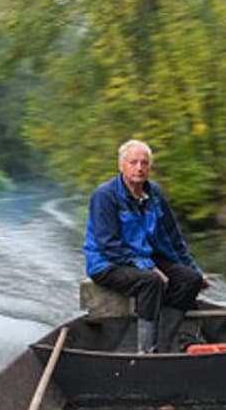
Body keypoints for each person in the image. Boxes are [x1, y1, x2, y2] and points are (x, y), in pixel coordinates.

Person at [84, 139, 209, 352]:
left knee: (190, 280)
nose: (139, 168)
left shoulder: (155, 194)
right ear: (121, 165)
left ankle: (162, 344)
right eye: (133, 162)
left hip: (145, 257)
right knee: (151, 281)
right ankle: (145, 350)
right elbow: (108, 244)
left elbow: (173, 237)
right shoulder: (105, 195)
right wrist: (148, 267)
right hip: (107, 262)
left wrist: (193, 269)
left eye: (144, 163)